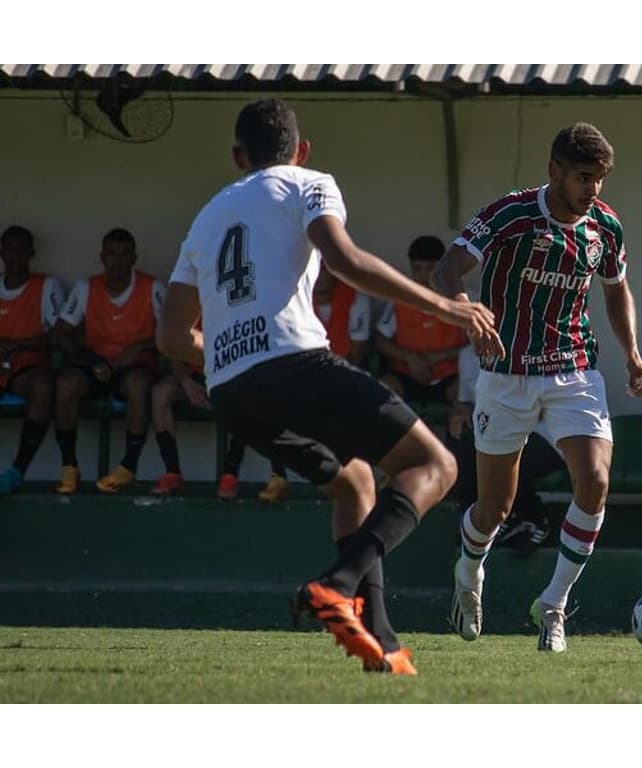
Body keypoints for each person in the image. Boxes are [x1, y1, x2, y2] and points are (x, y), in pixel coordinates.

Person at [156, 98, 502, 674]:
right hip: (294, 363)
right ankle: (337, 583)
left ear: (239, 156)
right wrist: (446, 305)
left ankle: (382, 643)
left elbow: (171, 336)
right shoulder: (308, 183)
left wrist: (225, 353)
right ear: (302, 149)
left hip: (231, 392)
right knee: (436, 466)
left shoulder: (207, 216)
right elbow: (344, 260)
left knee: (353, 480)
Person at [432, 122, 642, 652]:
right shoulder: (508, 214)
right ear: (553, 171)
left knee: (595, 482)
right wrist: (465, 312)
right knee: (493, 509)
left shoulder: (605, 226)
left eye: (599, 179)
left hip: (574, 371)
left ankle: (552, 606)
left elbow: (617, 291)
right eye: (582, 177)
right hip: (506, 376)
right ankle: (469, 573)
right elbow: (447, 270)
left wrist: (632, 355)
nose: (592, 190)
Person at [217, 264, 371, 503]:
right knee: (255, 400)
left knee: (357, 402)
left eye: (327, 271)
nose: (320, 278)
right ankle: (274, 477)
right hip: (298, 375)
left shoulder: (355, 300)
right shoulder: (291, 299)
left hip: (338, 375)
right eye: (316, 271)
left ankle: (356, 478)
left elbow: (358, 355)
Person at [52, 228, 165, 495]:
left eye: (123, 254)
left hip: (135, 368)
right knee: (66, 383)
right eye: (111, 255)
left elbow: (171, 334)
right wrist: (91, 360)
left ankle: (127, 468)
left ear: (134, 258)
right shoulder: (85, 288)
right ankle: (69, 467)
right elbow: (59, 334)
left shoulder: (153, 288)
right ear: (101, 258)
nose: (117, 261)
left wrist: (140, 346)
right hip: (97, 366)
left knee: (139, 385)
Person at [447, 345, 564, 556]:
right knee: (462, 446)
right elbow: (465, 402)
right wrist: (460, 413)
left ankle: (535, 520)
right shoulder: (467, 354)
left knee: (506, 453)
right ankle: (482, 519)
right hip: (495, 434)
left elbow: (537, 410)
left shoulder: (533, 348)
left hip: (545, 438)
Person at [0, 226, 65, 495]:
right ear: (1, 252)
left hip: (26, 366)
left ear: (31, 253)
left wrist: (18, 345)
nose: (15, 256)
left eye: (21, 250)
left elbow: (58, 337)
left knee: (43, 386)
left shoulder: (46, 286)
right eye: (9, 249)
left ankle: (18, 470)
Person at [376, 235, 467, 408]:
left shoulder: (460, 299)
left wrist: (443, 355)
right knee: (382, 388)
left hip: (450, 376)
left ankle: (454, 434)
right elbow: (379, 340)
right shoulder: (401, 299)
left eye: (430, 268)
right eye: (417, 269)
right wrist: (409, 358)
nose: (423, 275)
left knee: (465, 394)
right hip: (408, 373)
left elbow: (477, 345)